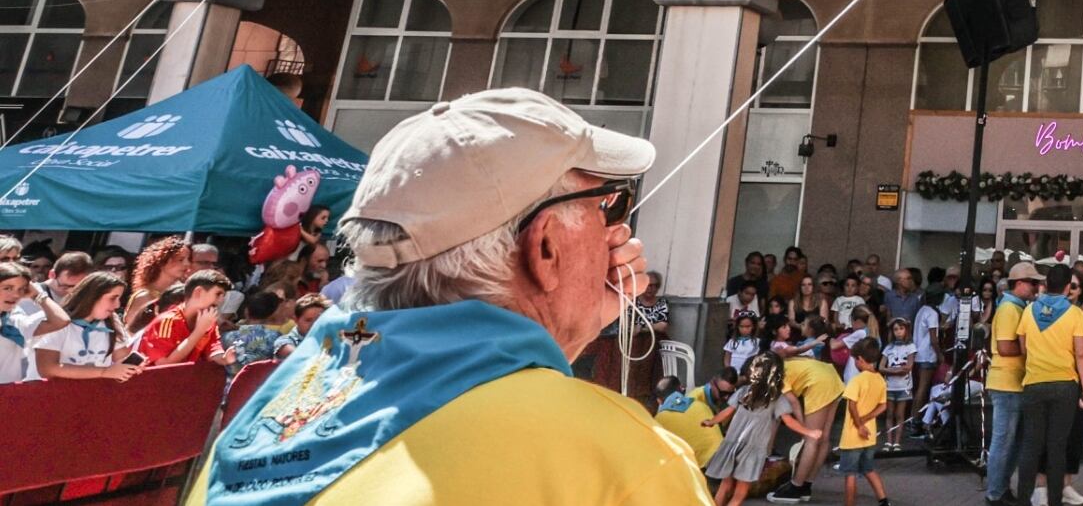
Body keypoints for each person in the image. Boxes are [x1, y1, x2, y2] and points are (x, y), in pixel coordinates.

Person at [183, 87, 707, 506]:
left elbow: (490, 396)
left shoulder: (271, 417)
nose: (617, 231)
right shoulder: (619, 454)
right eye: (608, 208)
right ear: (544, 246)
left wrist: (564, 326)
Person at [1011, 262, 1083, 506]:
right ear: (1068, 287)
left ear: (1046, 285)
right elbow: (1082, 354)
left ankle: (1024, 499)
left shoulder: (1029, 311)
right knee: (1057, 447)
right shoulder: (1075, 314)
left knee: (1030, 445)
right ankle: (1054, 500)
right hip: (1064, 385)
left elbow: (1023, 348)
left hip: (1034, 384)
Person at [706, 353, 829, 506]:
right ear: (779, 375)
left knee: (725, 486)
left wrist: (712, 421)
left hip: (732, 446)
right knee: (740, 492)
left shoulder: (744, 392)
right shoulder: (777, 399)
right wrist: (809, 432)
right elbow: (789, 421)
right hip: (752, 451)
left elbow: (727, 411)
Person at [987, 262, 1041, 506]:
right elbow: (1005, 347)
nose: (1036, 287)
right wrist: (1032, 348)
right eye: (1032, 283)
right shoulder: (1010, 308)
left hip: (1013, 382)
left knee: (1012, 441)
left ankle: (1001, 488)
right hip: (1007, 382)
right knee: (1003, 440)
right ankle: (995, 493)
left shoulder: (1016, 307)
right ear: (1019, 283)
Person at [33, 272, 138, 381]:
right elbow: (47, 369)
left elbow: (121, 357)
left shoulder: (111, 321)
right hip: (59, 394)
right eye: (112, 298)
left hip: (97, 393)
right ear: (92, 296)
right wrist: (104, 372)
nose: (117, 305)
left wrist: (130, 366)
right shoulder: (57, 323)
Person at [773, 352, 848, 502]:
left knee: (811, 439)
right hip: (832, 377)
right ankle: (807, 484)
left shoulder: (777, 374)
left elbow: (793, 402)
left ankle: (795, 486)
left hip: (818, 383)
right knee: (824, 437)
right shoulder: (790, 361)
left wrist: (803, 428)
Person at [134, 269, 236, 366]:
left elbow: (213, 348)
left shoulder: (208, 320)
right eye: (218, 294)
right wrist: (199, 331)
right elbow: (164, 364)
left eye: (223, 296)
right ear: (198, 292)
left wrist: (223, 358)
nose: (221, 300)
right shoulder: (167, 321)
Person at [840, 338, 893, 506]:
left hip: (852, 436)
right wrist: (867, 419)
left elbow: (851, 406)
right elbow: (883, 406)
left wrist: (859, 424)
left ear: (860, 359)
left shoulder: (857, 380)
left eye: (855, 359)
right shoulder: (879, 379)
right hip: (870, 436)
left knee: (850, 474)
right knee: (869, 469)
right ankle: (883, 501)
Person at [0, 261, 68, 383]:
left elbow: (61, 320)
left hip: (8, 395)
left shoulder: (15, 320)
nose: (16, 294)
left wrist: (38, 295)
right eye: (7, 288)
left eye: (22, 289)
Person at [222, 289, 295, 368]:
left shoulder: (228, 337)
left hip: (232, 379)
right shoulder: (275, 337)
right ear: (270, 314)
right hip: (260, 379)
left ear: (246, 311)